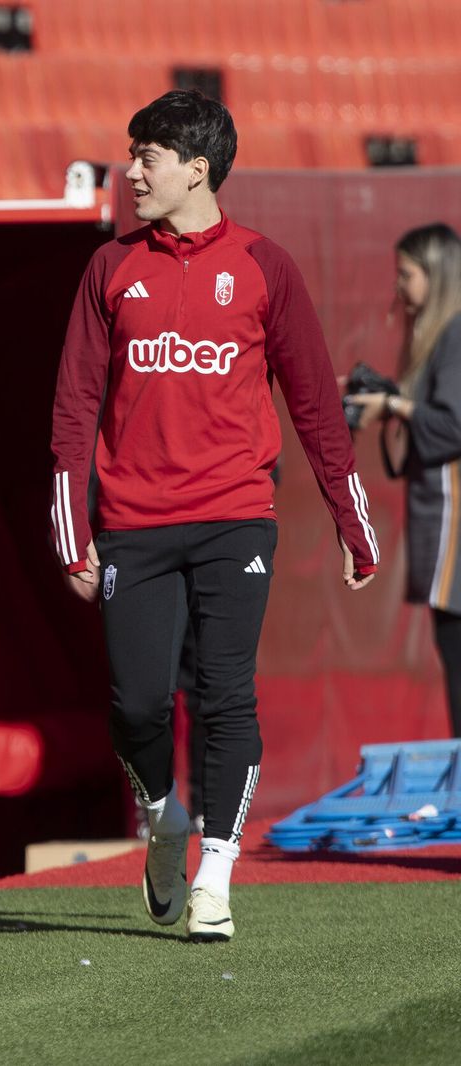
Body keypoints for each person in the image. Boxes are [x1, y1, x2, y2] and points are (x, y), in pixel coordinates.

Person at [50, 90, 379, 943]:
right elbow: (73, 411)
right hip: (133, 523)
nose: (131, 173)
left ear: (198, 167)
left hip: (237, 517)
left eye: (147, 157)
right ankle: (165, 821)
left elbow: (314, 403)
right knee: (137, 703)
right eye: (132, 156)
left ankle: (217, 878)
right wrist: (70, 531)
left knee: (227, 693)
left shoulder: (266, 266)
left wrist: (353, 519)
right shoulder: (109, 269)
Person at [345, 222, 461, 737]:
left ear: (435, 276)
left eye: (407, 274)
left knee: (457, 652)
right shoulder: (435, 334)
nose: (398, 285)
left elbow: (454, 424)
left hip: (454, 525)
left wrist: (394, 404)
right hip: (439, 518)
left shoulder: (456, 333)